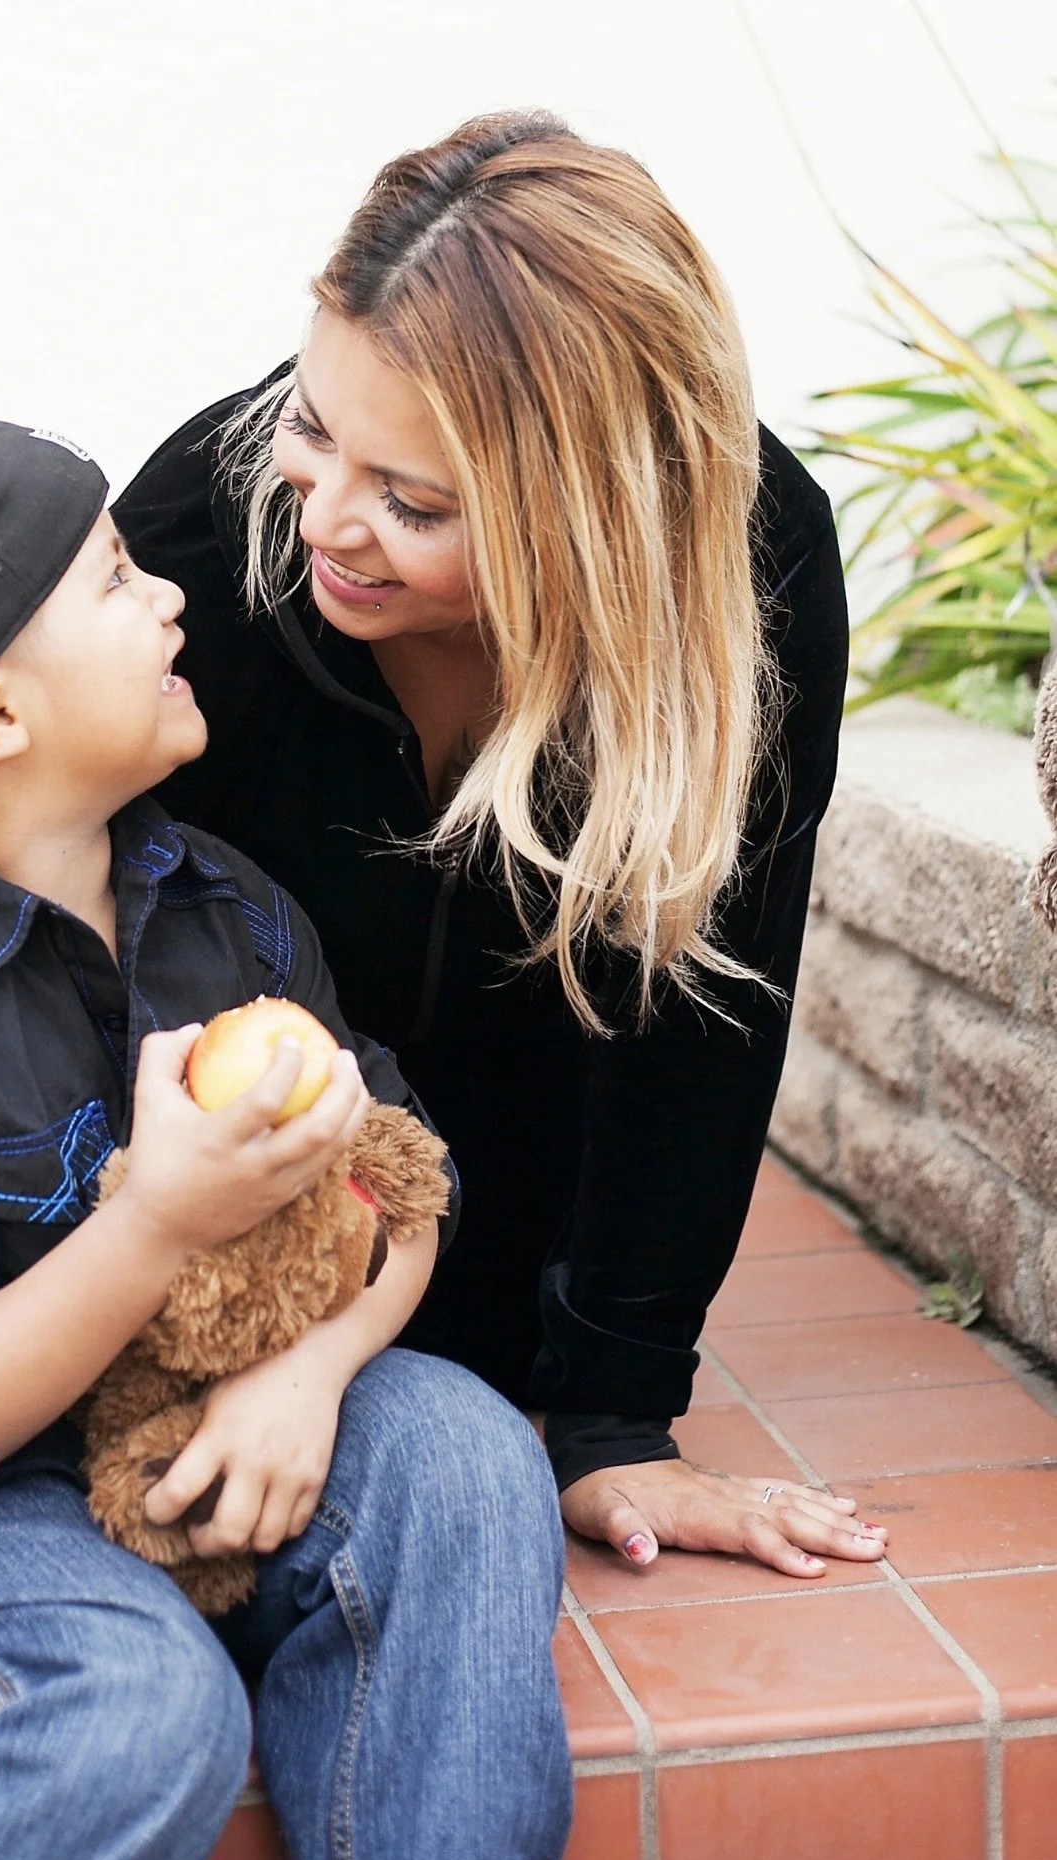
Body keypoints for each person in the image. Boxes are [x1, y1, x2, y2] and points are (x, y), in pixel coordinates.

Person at [0, 417, 571, 1860]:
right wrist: (158, 1217)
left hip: (203, 1439)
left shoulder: (224, 905)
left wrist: (316, 1365)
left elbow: (399, 1179)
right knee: (141, 1704)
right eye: (113, 580)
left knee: (466, 1449)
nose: (171, 599)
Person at [108, 108, 891, 1576]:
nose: (328, 520)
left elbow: (706, 1004)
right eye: (311, 426)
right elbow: (6, 937)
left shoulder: (751, 566)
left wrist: (613, 1417)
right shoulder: (201, 534)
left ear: (591, 516)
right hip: (219, 1264)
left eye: (411, 503)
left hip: (505, 1274)